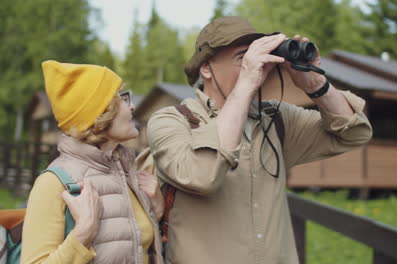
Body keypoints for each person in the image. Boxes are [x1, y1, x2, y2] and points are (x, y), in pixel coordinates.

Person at [146, 16, 373, 264]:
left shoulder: (275, 118)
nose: (256, 66)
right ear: (206, 68)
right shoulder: (172, 121)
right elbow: (202, 176)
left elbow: (354, 133)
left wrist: (315, 84)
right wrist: (246, 83)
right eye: (242, 58)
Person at [21, 61, 164, 264]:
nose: (132, 106)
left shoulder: (127, 173)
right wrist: (84, 232)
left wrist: (155, 214)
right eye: (122, 99)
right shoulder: (52, 183)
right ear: (99, 115)